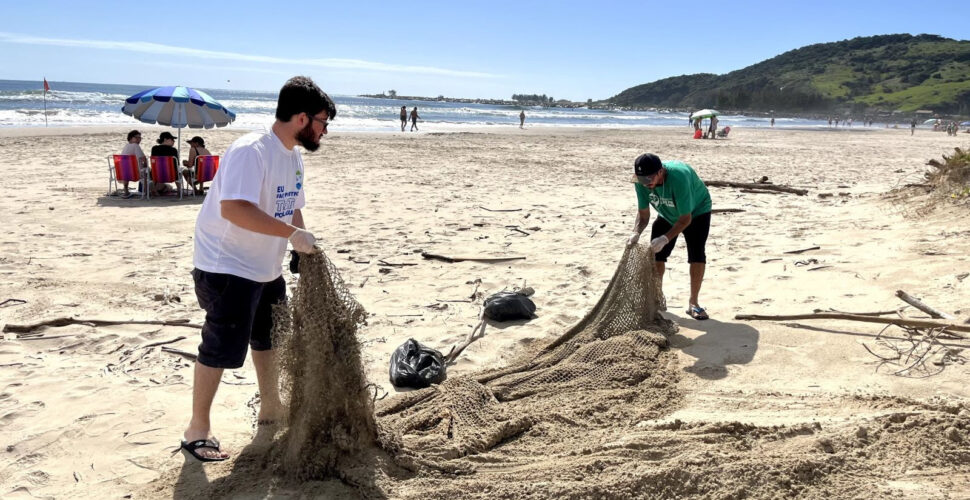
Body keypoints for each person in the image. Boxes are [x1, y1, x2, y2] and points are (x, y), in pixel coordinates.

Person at [181, 75, 335, 462]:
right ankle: (197, 429)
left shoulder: (293, 155)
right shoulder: (252, 150)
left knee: (268, 339)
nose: (324, 130)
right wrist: (290, 233)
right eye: (322, 122)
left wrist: (298, 238)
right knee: (220, 348)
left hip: (266, 268)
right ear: (302, 118)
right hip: (227, 267)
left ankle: (272, 409)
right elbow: (233, 208)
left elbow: (291, 203)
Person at [626, 153, 712, 320]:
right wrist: (635, 232)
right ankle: (656, 299)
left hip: (696, 211)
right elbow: (643, 215)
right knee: (657, 255)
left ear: (661, 171)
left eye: (649, 178)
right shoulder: (641, 182)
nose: (646, 183)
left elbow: (685, 219)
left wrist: (665, 238)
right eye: (642, 179)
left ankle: (694, 303)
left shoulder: (679, 178)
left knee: (696, 254)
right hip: (667, 214)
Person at [119, 129, 147, 197]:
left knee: (126, 168)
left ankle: (126, 190)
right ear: (131, 138)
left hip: (123, 173)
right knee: (147, 170)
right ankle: (145, 191)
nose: (139, 139)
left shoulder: (126, 146)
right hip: (136, 173)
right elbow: (143, 158)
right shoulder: (135, 146)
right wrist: (145, 165)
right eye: (136, 137)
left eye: (140, 138)